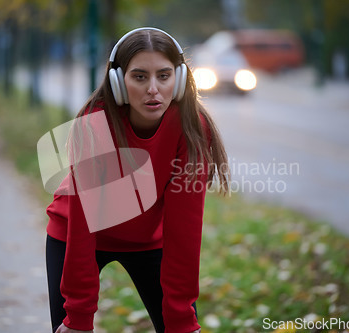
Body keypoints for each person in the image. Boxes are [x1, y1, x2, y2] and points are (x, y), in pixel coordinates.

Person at [45, 27, 230, 333]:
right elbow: (83, 223)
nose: (153, 88)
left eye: (164, 75)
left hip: (147, 240)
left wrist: (182, 320)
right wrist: (78, 316)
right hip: (76, 234)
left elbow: (185, 229)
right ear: (119, 82)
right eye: (140, 76)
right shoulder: (94, 125)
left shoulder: (191, 129)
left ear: (180, 79)